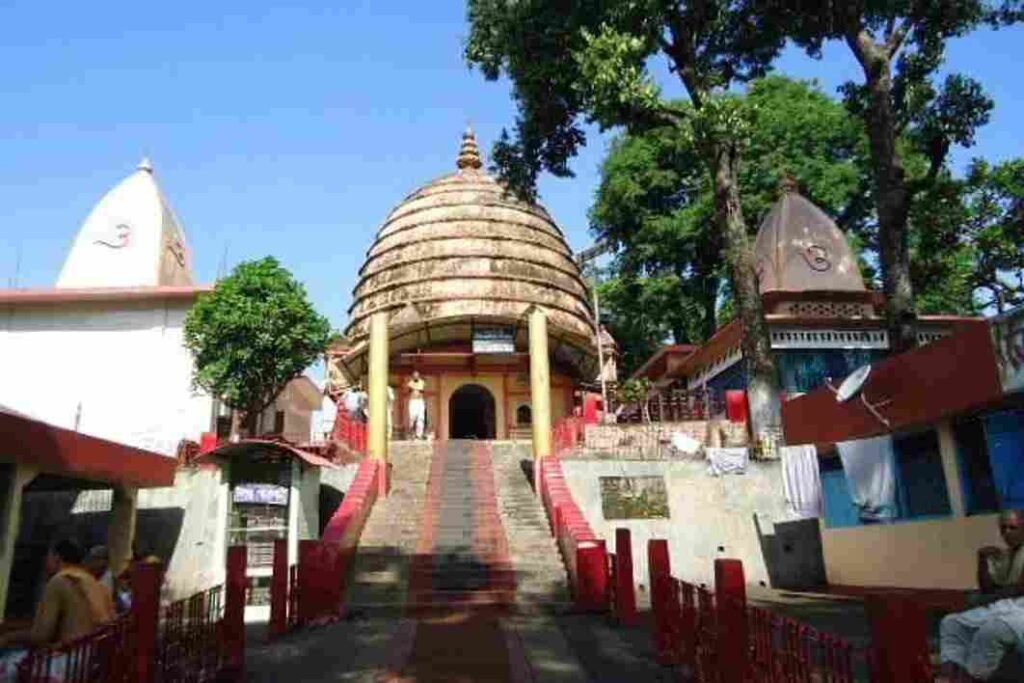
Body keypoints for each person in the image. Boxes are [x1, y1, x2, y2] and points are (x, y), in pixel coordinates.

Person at [0, 539, 116, 679]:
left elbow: (41, 636)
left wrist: (7, 637)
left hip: (65, 664)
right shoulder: (95, 584)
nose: (45, 563)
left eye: (48, 557)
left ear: (56, 557)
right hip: (90, 662)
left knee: (6, 664)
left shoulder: (60, 580)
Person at [939, 510, 1024, 681]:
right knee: (951, 623)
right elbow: (988, 588)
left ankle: (973, 677)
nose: (1007, 532)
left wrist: (984, 599)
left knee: (990, 631)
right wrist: (982, 560)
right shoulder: (1006, 555)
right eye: (1003, 528)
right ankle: (949, 676)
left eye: (1012, 527)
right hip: (1007, 606)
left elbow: (1019, 589)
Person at [407, 371, 426, 440]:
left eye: (417, 375)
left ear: (419, 376)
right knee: (412, 418)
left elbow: (422, 390)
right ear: (413, 376)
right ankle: (411, 433)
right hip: (413, 401)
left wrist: (416, 389)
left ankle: (419, 435)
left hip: (420, 401)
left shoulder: (422, 382)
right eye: (414, 375)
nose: (416, 376)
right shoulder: (410, 383)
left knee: (420, 418)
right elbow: (409, 390)